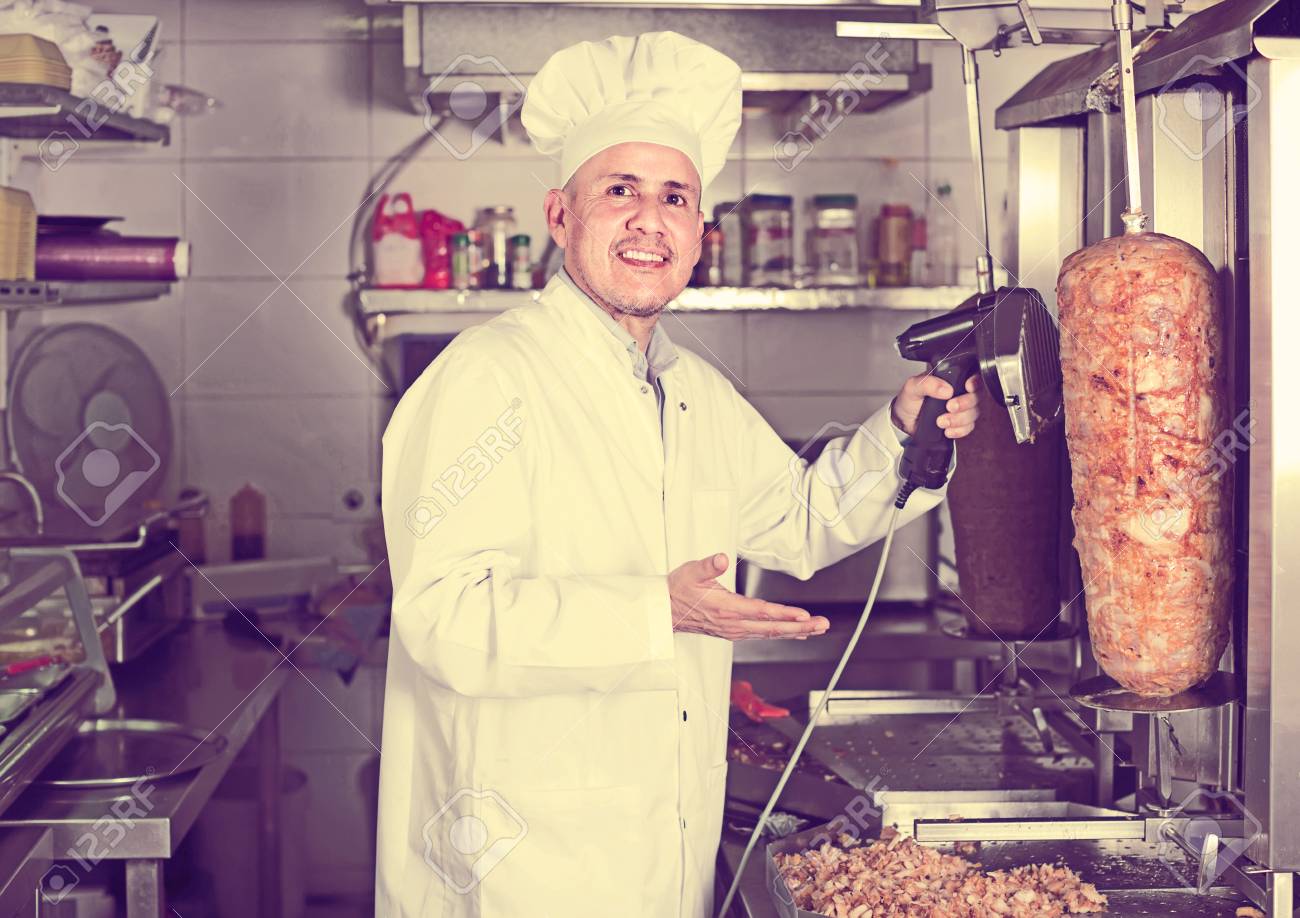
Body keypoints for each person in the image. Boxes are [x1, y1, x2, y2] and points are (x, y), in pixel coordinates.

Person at [376, 30, 981, 918]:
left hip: (663, 853)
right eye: (619, 191)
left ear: (701, 233)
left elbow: (800, 519)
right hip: (519, 866)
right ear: (559, 216)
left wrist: (898, 432)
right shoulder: (485, 376)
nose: (648, 220)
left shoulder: (690, 389)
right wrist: (654, 610)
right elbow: (446, 620)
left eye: (675, 197)